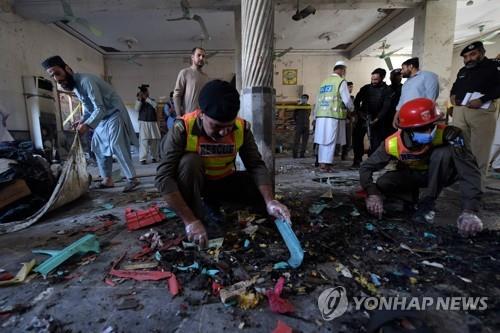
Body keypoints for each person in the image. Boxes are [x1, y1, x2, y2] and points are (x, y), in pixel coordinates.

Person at [155, 80, 290, 247]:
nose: (224, 132)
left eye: (229, 126)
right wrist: (189, 220)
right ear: (201, 114)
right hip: (195, 184)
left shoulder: (242, 128)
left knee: (256, 186)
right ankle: (196, 216)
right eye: (217, 126)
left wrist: (270, 200)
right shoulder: (182, 128)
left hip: (222, 181)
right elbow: (163, 178)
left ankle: (216, 204)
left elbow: (256, 165)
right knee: (190, 162)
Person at [360, 98, 483, 236]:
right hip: (414, 175)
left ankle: (428, 202)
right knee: (384, 182)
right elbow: (366, 168)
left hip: (442, 174)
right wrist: (373, 193)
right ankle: (409, 201)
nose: (429, 132)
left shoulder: (451, 136)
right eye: (422, 129)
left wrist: (470, 210)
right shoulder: (392, 143)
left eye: (431, 126)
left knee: (442, 153)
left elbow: (469, 172)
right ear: (407, 130)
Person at [42, 55, 140, 192]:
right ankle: (107, 180)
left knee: (117, 145)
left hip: (113, 114)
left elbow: (100, 107)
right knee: (98, 146)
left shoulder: (86, 81)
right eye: (52, 76)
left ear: (67, 69)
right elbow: (89, 108)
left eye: (57, 73)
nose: (56, 79)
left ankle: (132, 179)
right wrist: (82, 120)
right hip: (102, 118)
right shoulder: (76, 86)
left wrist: (87, 125)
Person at [450, 41, 500, 186]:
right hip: (460, 112)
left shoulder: (494, 68)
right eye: (465, 56)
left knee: (479, 151)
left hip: (482, 112)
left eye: (472, 54)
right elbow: (455, 86)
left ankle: (476, 186)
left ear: (482, 52)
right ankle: (462, 180)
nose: (468, 59)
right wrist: (452, 96)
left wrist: (483, 99)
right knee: (460, 147)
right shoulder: (463, 70)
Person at [313, 60, 354, 172]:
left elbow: (317, 100)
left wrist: (314, 117)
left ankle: (322, 163)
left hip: (321, 115)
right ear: (342, 70)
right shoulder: (340, 81)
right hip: (332, 115)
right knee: (330, 140)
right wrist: (352, 108)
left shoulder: (324, 82)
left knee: (322, 140)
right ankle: (326, 165)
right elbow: (346, 99)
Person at [351, 68, 392, 168]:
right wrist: (358, 113)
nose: (373, 81)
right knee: (357, 139)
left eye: (376, 80)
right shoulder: (366, 88)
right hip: (363, 117)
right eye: (372, 79)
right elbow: (357, 101)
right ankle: (357, 159)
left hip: (377, 119)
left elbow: (386, 106)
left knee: (376, 141)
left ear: (382, 78)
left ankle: (372, 162)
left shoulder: (387, 90)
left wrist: (377, 119)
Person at [392, 57, 439, 128]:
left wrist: (427, 118)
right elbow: (402, 101)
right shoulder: (406, 82)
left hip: (421, 118)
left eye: (403, 68)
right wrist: (395, 117)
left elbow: (431, 98)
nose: (401, 71)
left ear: (411, 66)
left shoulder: (428, 76)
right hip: (406, 117)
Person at [173, 47, 209, 116]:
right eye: (199, 55)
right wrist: (178, 115)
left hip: (203, 118)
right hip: (188, 118)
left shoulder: (206, 77)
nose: (201, 58)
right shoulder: (185, 72)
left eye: (203, 56)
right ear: (192, 57)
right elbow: (177, 95)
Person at [135, 84, 161, 164]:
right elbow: (136, 109)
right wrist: (140, 99)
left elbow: (155, 105)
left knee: (154, 141)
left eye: (146, 92)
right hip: (143, 123)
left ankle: (155, 157)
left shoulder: (151, 100)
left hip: (152, 123)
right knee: (144, 141)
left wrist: (146, 99)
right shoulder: (139, 101)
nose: (146, 93)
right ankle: (143, 158)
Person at [293, 94, 311, 158]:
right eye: (303, 98)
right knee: (296, 140)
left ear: (307, 99)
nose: (304, 99)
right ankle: (295, 154)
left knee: (305, 141)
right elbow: (294, 116)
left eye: (305, 98)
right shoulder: (298, 107)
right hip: (299, 125)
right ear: (301, 99)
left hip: (306, 125)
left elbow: (309, 115)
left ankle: (302, 154)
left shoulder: (309, 106)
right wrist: (297, 122)